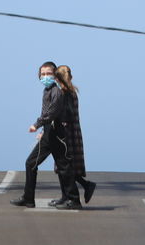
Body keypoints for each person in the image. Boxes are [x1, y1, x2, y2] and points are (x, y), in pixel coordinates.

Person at [10, 61, 80, 209]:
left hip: (57, 133)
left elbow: (52, 112)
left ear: (55, 75)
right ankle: (29, 199)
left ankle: (73, 200)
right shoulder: (48, 90)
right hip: (49, 133)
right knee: (34, 164)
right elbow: (47, 112)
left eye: (48, 73)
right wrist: (43, 131)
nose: (45, 76)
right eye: (43, 74)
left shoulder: (56, 91)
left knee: (63, 166)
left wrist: (36, 124)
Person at [53, 65, 97, 206]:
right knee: (64, 166)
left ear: (57, 78)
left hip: (66, 133)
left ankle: (81, 188)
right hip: (73, 132)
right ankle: (65, 196)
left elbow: (66, 115)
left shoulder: (65, 93)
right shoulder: (72, 91)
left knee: (65, 166)